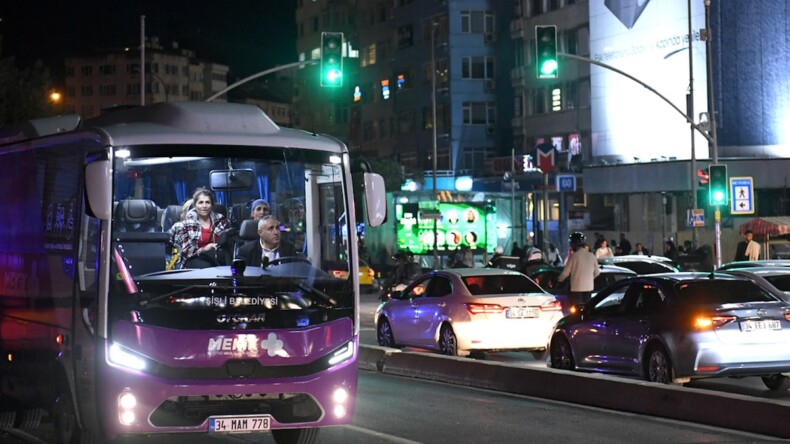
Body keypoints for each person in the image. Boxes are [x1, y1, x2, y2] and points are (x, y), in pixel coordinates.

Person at [172, 187, 231, 268]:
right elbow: (186, 251)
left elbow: (229, 244)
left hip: (218, 257)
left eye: (207, 202)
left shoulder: (221, 220)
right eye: (200, 202)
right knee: (208, 268)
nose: (204, 206)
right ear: (195, 205)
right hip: (194, 258)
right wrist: (205, 249)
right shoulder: (186, 224)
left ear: (212, 205)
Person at [558, 232, 601, 307]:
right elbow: (597, 272)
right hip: (589, 288)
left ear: (574, 244)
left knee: (577, 310)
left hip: (576, 288)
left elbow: (565, 273)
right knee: (587, 309)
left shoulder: (573, 256)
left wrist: (559, 280)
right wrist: (589, 278)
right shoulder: (591, 255)